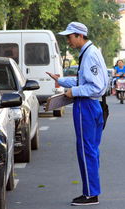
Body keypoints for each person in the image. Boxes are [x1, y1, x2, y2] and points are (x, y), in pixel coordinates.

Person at [46, 22, 109, 206]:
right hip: (94, 106)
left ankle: (90, 194)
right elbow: (86, 80)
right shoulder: (91, 52)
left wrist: (73, 92)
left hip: (87, 106)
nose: (68, 41)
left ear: (80, 36)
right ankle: (92, 191)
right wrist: (62, 80)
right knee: (91, 150)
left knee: (86, 150)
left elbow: (95, 86)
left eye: (70, 37)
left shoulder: (89, 55)